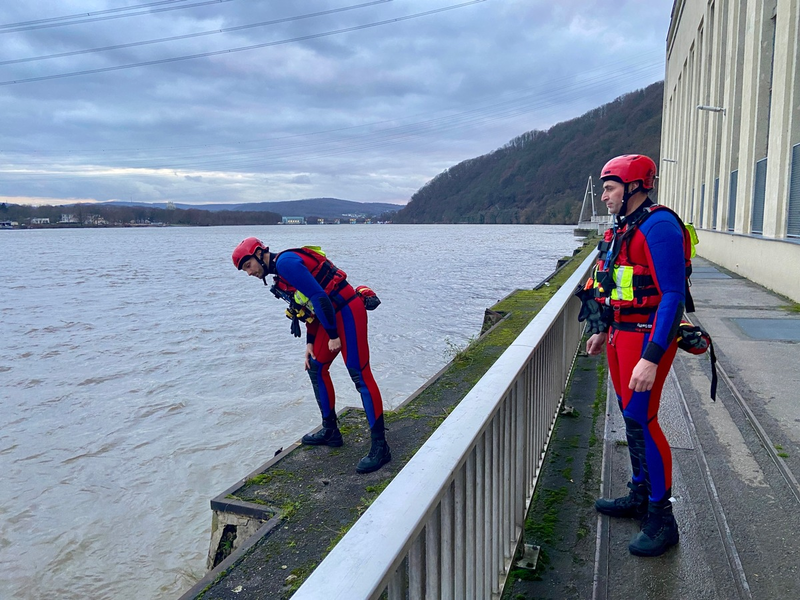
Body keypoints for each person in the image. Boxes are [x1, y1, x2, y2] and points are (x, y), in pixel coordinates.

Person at [577, 154, 693, 557]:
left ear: (634, 188)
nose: (604, 197)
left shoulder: (659, 225)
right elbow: (615, 284)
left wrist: (652, 355)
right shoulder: (623, 227)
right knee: (630, 417)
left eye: (609, 189)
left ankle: (663, 520)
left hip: (647, 340)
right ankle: (640, 494)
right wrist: (603, 328)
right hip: (620, 336)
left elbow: (672, 295)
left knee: (644, 420)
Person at [231, 237, 391, 474]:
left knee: (359, 374)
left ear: (259, 254)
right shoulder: (281, 275)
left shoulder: (286, 263)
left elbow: (320, 297)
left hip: (348, 312)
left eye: (248, 266)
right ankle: (330, 430)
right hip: (329, 320)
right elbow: (309, 307)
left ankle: (380, 447)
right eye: (244, 269)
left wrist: (334, 335)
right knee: (315, 366)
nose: (249, 273)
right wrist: (310, 342)